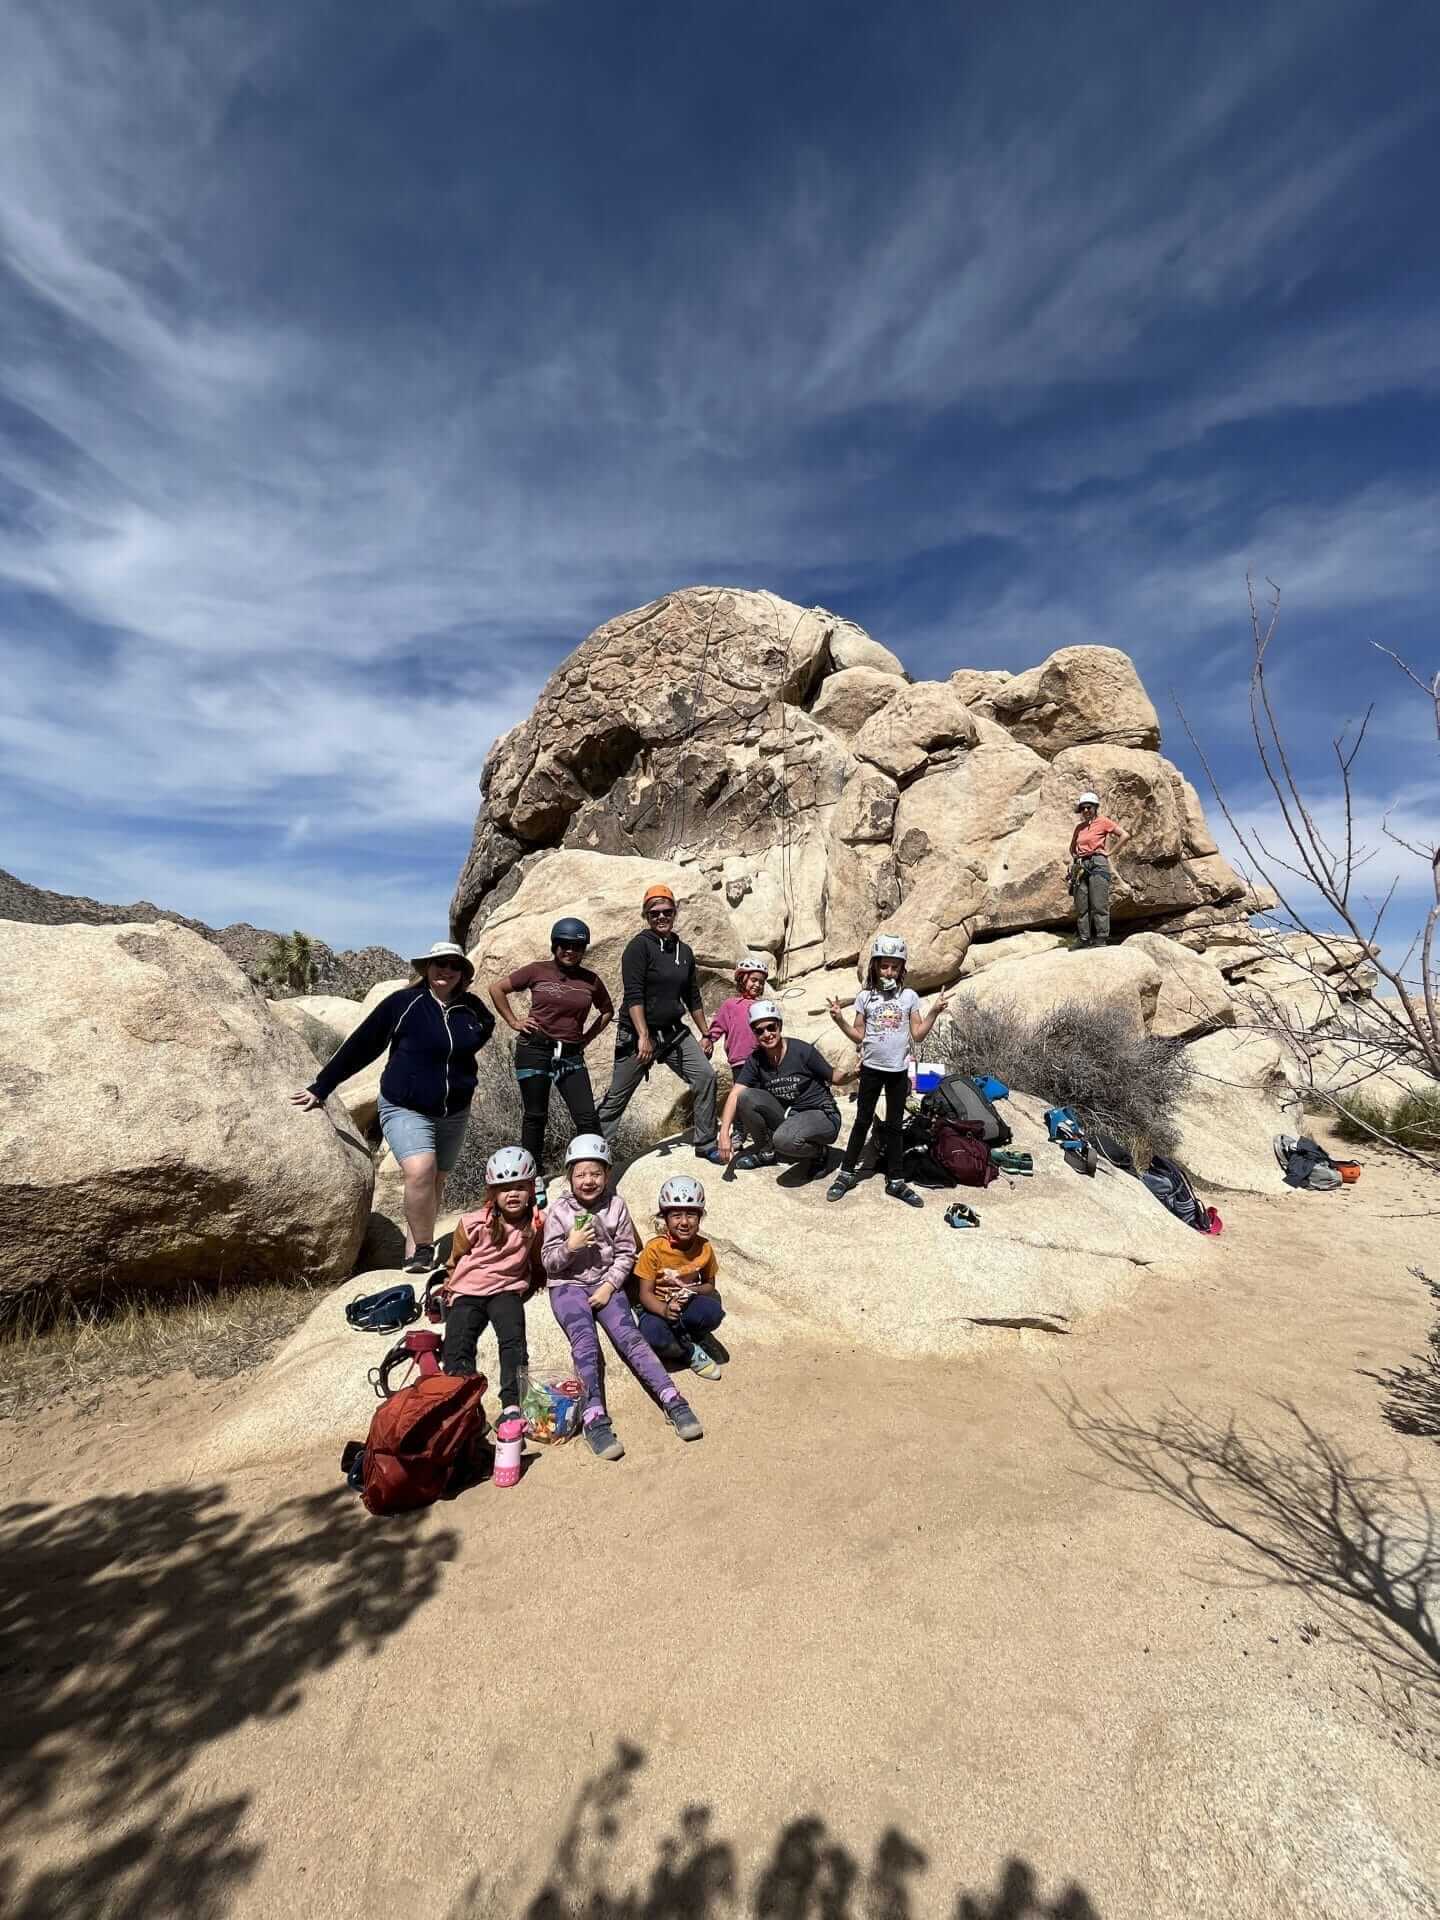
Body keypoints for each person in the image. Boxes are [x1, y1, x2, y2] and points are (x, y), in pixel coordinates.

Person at [293, 941, 495, 1274]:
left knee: (438, 1180)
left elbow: (486, 1026)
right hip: (405, 1105)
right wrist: (322, 1086)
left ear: (462, 974)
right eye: (439, 963)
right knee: (420, 1172)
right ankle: (425, 1247)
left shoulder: (472, 1008)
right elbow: (362, 1045)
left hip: (454, 1110)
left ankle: (415, 1249)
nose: (446, 970)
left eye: (453, 965)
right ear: (426, 968)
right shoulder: (404, 1003)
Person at [541, 1133, 704, 1459]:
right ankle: (593, 1417)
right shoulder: (559, 1211)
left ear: (607, 1174)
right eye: (581, 1173)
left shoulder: (616, 1206)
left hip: (605, 1282)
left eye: (596, 1173)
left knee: (630, 1337)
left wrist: (609, 1285)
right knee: (585, 1344)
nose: (588, 1180)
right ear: (569, 1176)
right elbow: (549, 1261)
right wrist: (570, 1247)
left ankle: (672, 1398)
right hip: (568, 1286)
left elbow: (627, 1253)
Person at [489, 917, 614, 1206]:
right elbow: (497, 989)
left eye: (577, 946)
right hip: (535, 1049)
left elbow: (606, 1010)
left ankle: (593, 1175)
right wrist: (514, 1021)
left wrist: (588, 1037)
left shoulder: (591, 980)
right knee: (535, 1116)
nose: (570, 951)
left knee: (586, 1118)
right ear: (555, 945)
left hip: (570, 1053)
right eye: (565, 945)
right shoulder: (537, 971)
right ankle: (532, 1181)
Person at [596, 883, 719, 1162]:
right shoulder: (638, 947)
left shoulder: (684, 951)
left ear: (675, 912)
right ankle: (591, 1154)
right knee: (617, 1097)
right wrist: (642, 1036)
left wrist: (706, 1033)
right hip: (639, 1033)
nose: (661, 917)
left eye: (666, 911)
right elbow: (634, 994)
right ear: (646, 917)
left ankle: (706, 1141)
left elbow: (692, 996)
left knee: (706, 1076)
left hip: (673, 1033)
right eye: (654, 913)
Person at [825, 934, 950, 1208]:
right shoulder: (865, 998)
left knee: (894, 1126)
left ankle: (896, 1180)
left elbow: (917, 1034)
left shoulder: (909, 997)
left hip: (896, 1070)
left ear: (901, 969)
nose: (889, 972)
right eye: (884, 966)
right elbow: (858, 1035)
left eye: (895, 967)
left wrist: (934, 1012)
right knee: (862, 1121)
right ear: (875, 967)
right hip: (871, 1068)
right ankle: (846, 1173)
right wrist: (839, 1020)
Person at [439, 1145, 543, 1418]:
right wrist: (448, 1286)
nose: (512, 1194)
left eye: (520, 1186)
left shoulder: (534, 1224)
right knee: (458, 1342)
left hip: (506, 1290)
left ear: (531, 1189)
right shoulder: (474, 1223)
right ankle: (465, 1407)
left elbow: (537, 1258)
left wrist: (535, 1282)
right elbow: (456, 1257)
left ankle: (512, 1403)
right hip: (469, 1289)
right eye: (504, 1188)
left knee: (513, 1338)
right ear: (492, 1193)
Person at [717, 1000, 840, 1182]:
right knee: (746, 1097)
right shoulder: (756, 1059)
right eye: (760, 1031)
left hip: (821, 1113)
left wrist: (854, 1073)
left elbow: (835, 1077)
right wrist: (724, 1133)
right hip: (790, 1115)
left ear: (779, 1026)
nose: (767, 1034)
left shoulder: (801, 1050)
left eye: (771, 1027)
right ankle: (767, 1152)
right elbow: (735, 1093)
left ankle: (819, 1153)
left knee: (783, 1139)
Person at [631, 1174, 725, 1381]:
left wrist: (692, 1290)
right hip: (657, 1307)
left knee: (714, 1312)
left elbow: (709, 1286)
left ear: (700, 1218)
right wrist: (664, 1310)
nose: (684, 1222)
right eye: (676, 1215)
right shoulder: (654, 1249)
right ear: (665, 1218)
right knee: (652, 1334)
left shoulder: (704, 1248)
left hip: (687, 1303)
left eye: (691, 1215)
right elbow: (645, 1294)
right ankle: (689, 1351)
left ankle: (693, 1335)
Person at [1068, 791, 1128, 949]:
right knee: (1081, 905)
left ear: (1095, 807)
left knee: (1098, 903)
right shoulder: (1079, 827)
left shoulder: (1103, 822)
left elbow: (1124, 835)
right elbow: (1072, 847)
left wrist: (1109, 852)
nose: (1085, 811)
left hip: (1098, 862)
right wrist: (1076, 858)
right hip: (1081, 864)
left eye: (1088, 807)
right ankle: (1084, 938)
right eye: (1082, 808)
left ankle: (1101, 938)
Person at [706, 952, 773, 1068]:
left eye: (761, 982)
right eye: (754, 980)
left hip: (763, 1061)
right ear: (743, 979)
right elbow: (717, 1027)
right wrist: (708, 1041)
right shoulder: (731, 1005)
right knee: (742, 1087)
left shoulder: (763, 1005)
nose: (758, 985)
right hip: (740, 1061)